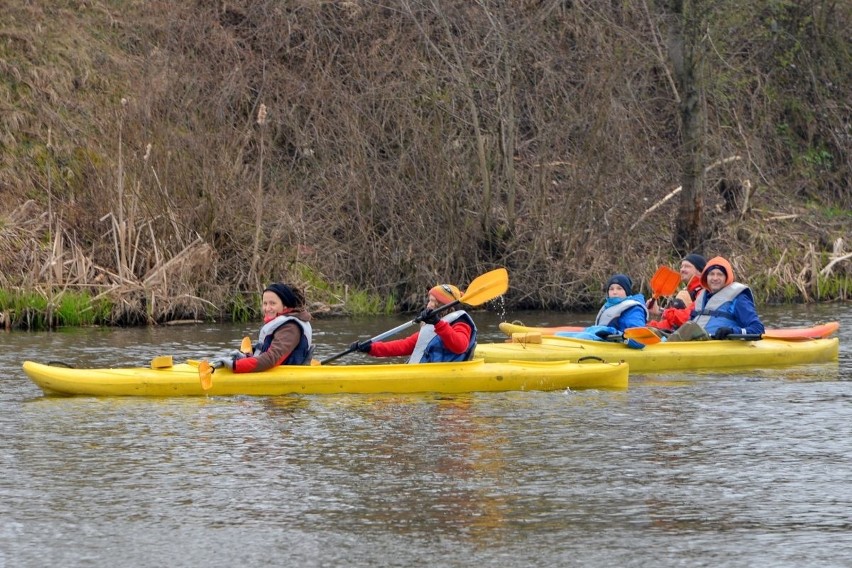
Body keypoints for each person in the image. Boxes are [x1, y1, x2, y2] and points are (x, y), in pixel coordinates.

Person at [351, 284, 477, 363]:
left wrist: (438, 323)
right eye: (430, 301)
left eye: (434, 302)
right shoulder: (432, 326)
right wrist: (370, 348)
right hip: (428, 374)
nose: (429, 305)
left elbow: (460, 346)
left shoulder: (460, 323)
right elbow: (404, 346)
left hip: (449, 374)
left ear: (444, 306)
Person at [214, 282, 313, 372]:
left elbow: (272, 358)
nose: (267, 308)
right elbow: (265, 351)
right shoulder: (283, 323)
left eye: (272, 303)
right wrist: (247, 356)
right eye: (265, 303)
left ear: (285, 306)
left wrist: (236, 365)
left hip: (286, 374)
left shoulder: (290, 328)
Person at [667, 256, 765, 341]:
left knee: (691, 327)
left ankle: (666, 345)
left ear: (726, 278)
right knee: (656, 330)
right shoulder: (701, 298)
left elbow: (758, 328)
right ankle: (663, 340)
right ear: (706, 277)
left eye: (720, 274)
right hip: (696, 343)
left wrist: (732, 331)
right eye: (711, 274)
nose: (715, 278)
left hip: (715, 343)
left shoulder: (738, 298)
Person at [555, 274, 648, 341]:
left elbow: (640, 337)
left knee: (583, 337)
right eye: (611, 289)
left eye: (619, 288)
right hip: (603, 340)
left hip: (618, 343)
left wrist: (620, 335)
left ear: (627, 292)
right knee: (560, 335)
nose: (614, 292)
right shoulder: (609, 306)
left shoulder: (633, 309)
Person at [647, 253, 706, 332]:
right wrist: (649, 327)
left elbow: (687, 317)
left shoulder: (704, 292)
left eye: (687, 266)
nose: (682, 269)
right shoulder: (691, 291)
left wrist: (662, 311)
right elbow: (672, 324)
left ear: (700, 271)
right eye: (681, 266)